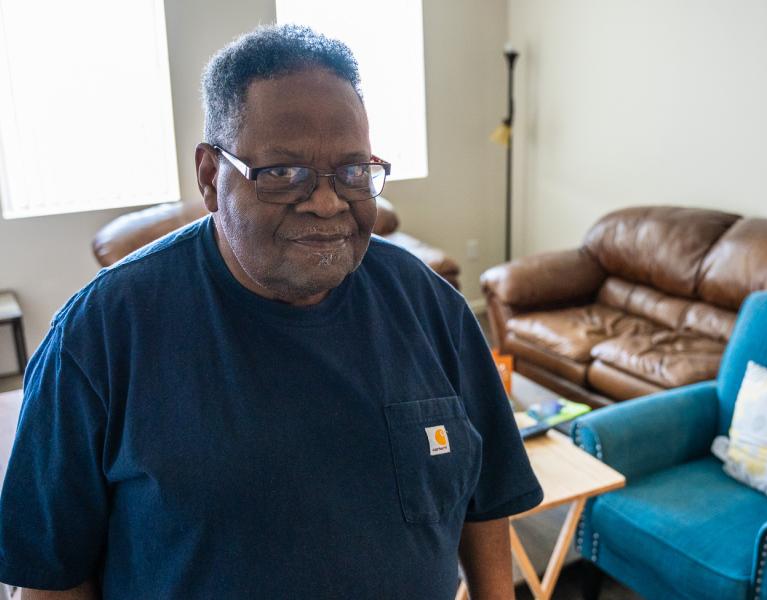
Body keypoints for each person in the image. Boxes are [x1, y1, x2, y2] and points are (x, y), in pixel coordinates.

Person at [0, 25, 542, 599]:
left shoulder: (431, 307)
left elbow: (486, 497)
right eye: (283, 173)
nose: (327, 203)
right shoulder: (99, 336)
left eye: (353, 171)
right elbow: (51, 578)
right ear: (210, 178)